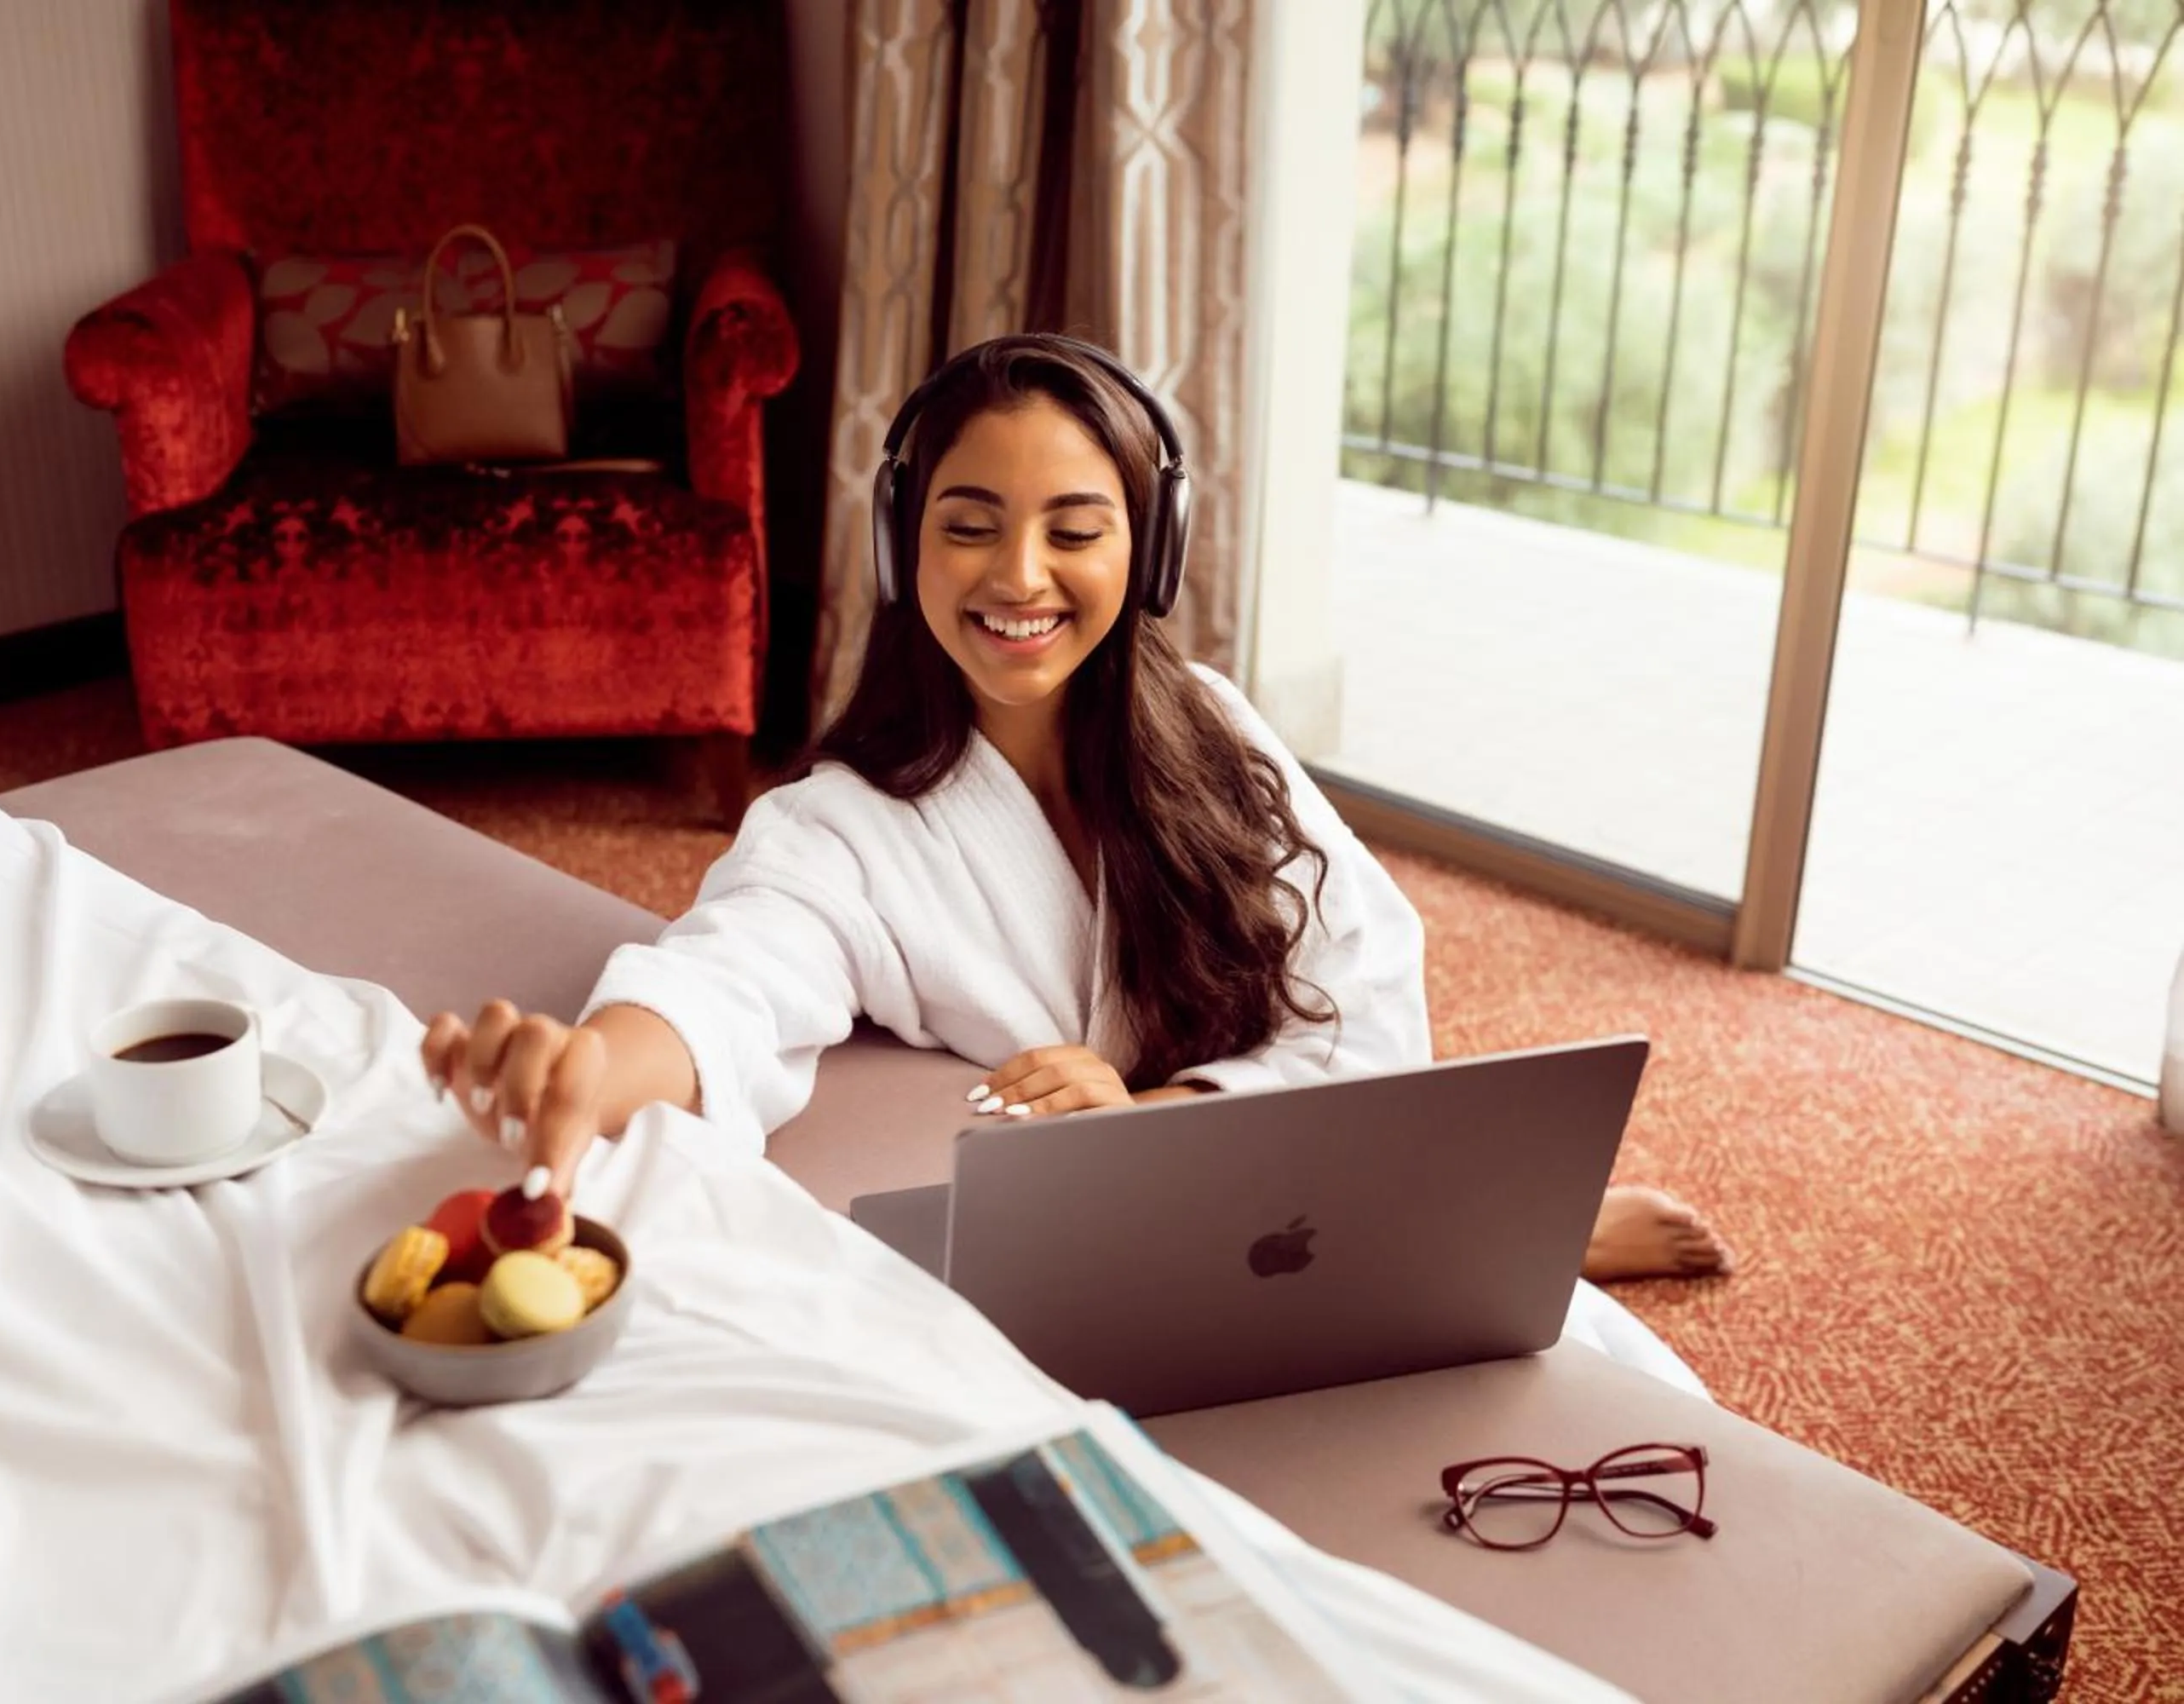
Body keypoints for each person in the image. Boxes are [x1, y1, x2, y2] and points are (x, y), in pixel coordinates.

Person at [421, 333, 1729, 1287]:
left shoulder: (1211, 726)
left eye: (1075, 529)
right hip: (1094, 1244)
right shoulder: (845, 827)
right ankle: (1498, 1231)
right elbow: (728, 980)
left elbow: (1365, 984)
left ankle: (1513, 1232)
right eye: (970, 526)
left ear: (1146, 550)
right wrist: (592, 1069)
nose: (1020, 576)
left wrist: (1150, 1120)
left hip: (1228, 1166)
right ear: (903, 547)